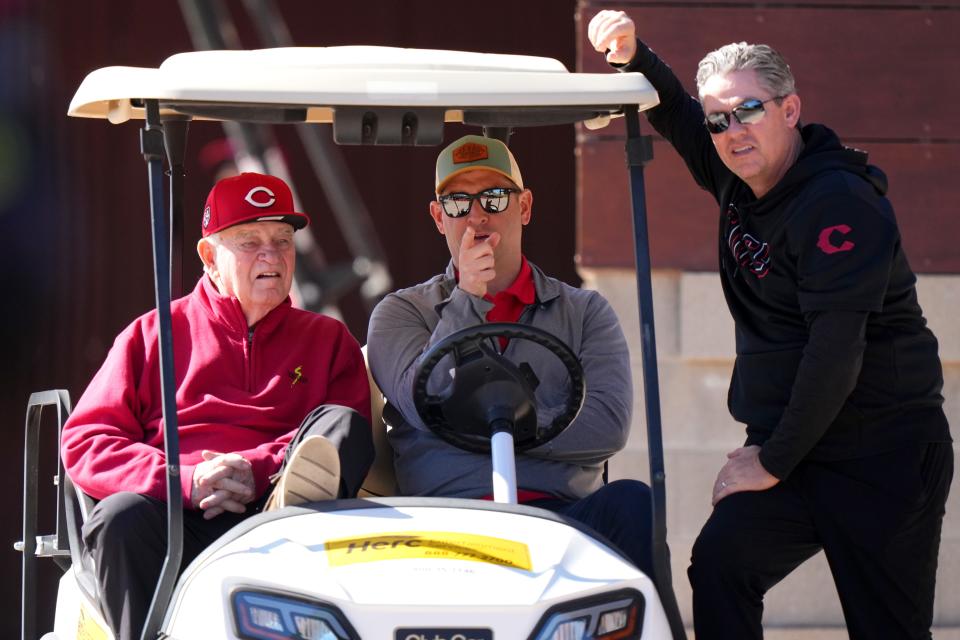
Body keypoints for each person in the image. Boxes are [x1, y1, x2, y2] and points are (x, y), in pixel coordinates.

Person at [588, 11, 953, 639]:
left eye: (749, 109)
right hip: (799, 450)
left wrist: (772, 459)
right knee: (723, 565)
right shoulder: (741, 178)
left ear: (790, 110)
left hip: (881, 453)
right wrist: (633, 55)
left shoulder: (838, 202)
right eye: (720, 120)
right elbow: (677, 112)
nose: (732, 132)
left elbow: (836, 351)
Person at [61, 172, 374, 640]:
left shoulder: (328, 339)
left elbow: (348, 429)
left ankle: (283, 491)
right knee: (119, 518)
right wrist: (183, 481)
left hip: (284, 516)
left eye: (283, 240)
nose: (271, 254)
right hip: (176, 517)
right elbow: (87, 441)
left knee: (343, 424)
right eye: (250, 241)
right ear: (210, 256)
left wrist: (258, 471)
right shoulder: (153, 335)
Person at [366, 134, 654, 575]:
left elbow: (607, 425)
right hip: (444, 524)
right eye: (459, 202)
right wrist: (466, 298)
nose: (478, 215)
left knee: (634, 503)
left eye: (495, 198)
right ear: (439, 217)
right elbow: (424, 402)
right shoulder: (403, 312)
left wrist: (503, 422)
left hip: (559, 521)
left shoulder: (584, 312)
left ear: (524, 207)